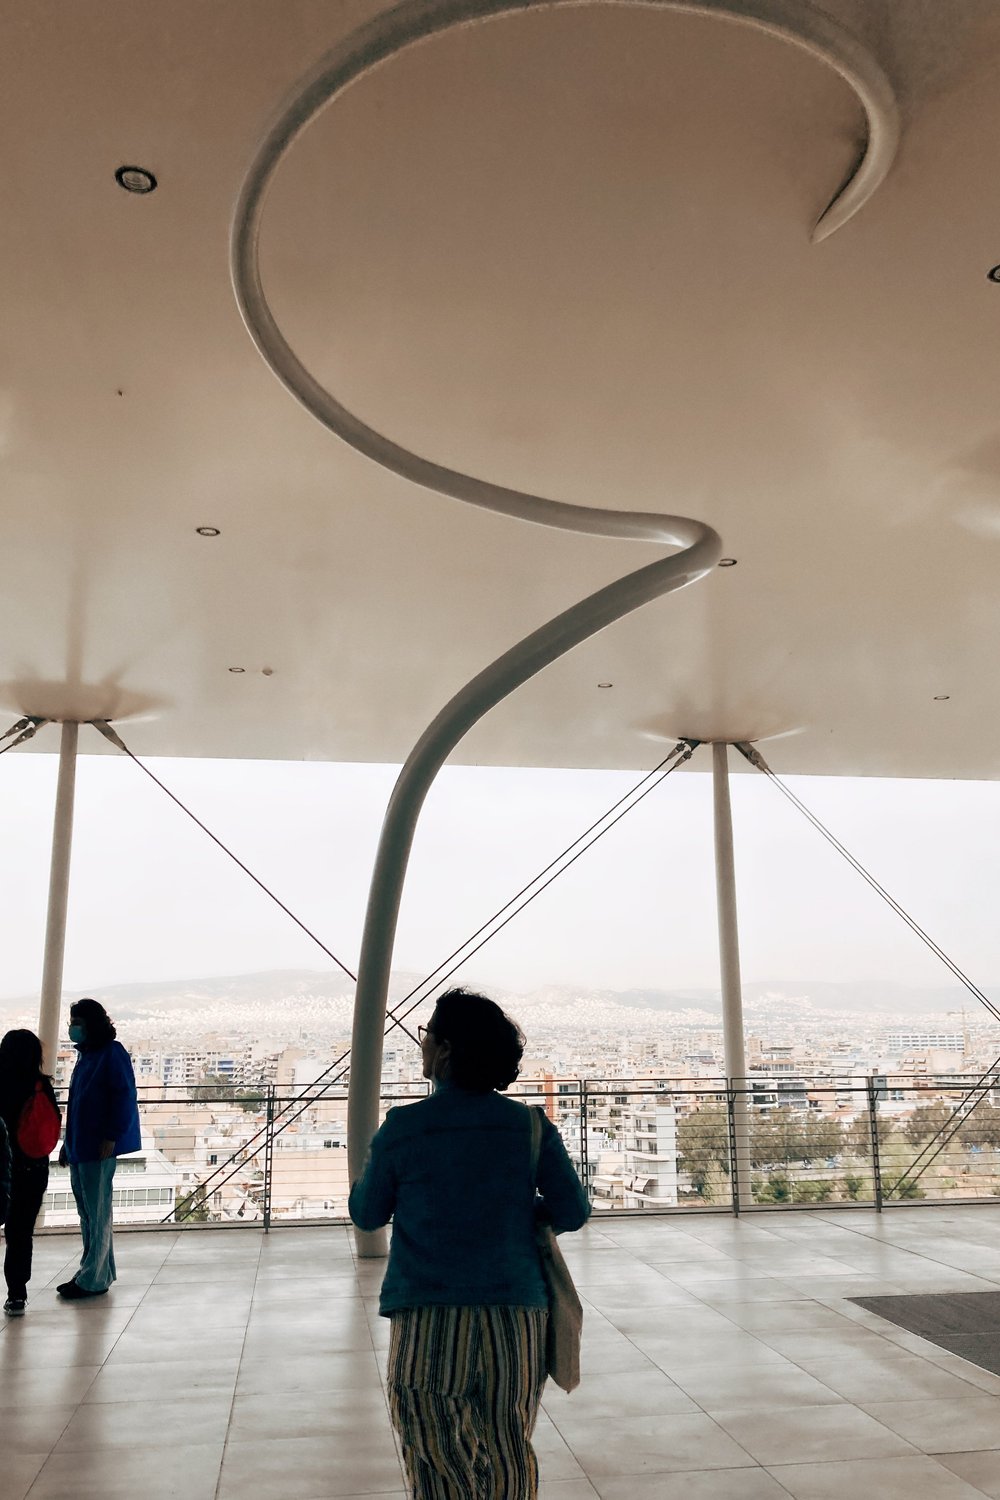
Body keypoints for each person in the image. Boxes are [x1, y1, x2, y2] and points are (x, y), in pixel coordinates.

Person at [349, 987, 590, 1500]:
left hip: (429, 1319)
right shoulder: (529, 1127)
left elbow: (368, 1214)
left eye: (426, 1036)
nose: (422, 1046)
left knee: (437, 1461)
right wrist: (525, 1215)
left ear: (446, 1050)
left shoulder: (404, 1128)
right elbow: (573, 1210)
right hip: (516, 1317)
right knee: (508, 1451)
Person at [58, 998, 140, 1301]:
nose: (72, 1028)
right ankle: (93, 1271)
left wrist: (111, 1136)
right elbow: (77, 1105)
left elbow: (123, 1096)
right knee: (87, 1213)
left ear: (90, 1024)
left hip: (99, 1147)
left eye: (77, 1022)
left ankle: (94, 1278)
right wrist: (67, 1144)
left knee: (98, 1212)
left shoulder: (110, 1054)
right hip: (81, 1145)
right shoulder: (86, 1056)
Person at [0, 1029, 61, 1315]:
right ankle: (16, 1295)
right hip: (33, 1168)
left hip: (3, 1167)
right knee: (21, 1233)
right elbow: (54, 1122)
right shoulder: (41, 1085)